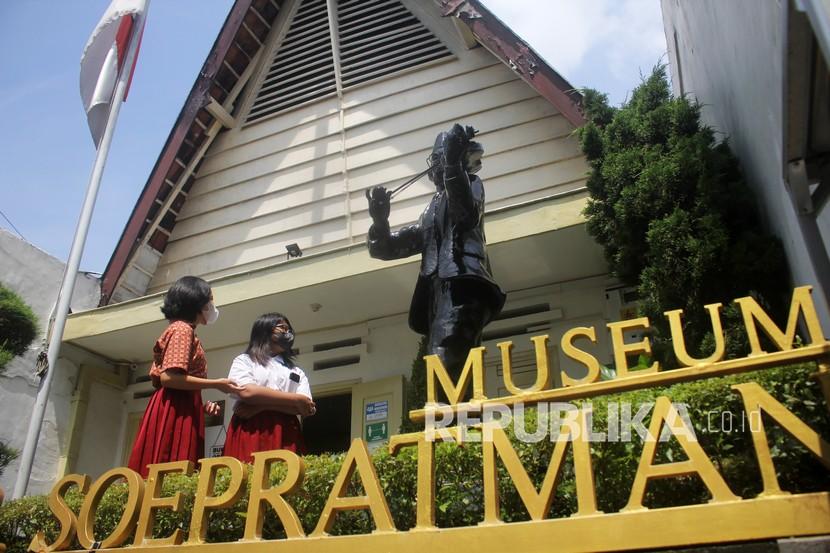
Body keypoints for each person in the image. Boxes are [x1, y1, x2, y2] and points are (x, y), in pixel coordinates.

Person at [366, 123, 506, 380]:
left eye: (444, 156)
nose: (438, 164)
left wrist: (454, 165)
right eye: (437, 159)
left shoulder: (472, 184)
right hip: (437, 289)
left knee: (446, 353)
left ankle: (448, 416)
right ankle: (458, 415)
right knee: (443, 358)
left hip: (463, 284)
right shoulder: (431, 208)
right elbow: (392, 247)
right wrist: (380, 222)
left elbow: (464, 214)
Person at [127, 276, 243, 477]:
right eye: (209, 301)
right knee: (172, 467)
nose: (211, 306)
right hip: (175, 407)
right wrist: (216, 384)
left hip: (179, 404)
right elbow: (170, 378)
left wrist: (200, 404)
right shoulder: (182, 330)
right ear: (196, 302)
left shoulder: (182, 329)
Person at [223, 312, 315, 462]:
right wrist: (294, 400)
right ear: (264, 330)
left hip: (286, 433)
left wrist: (261, 406)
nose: (287, 332)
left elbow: (306, 407)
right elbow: (247, 392)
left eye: (289, 329)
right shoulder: (245, 361)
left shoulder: (296, 371)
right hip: (251, 430)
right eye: (282, 328)